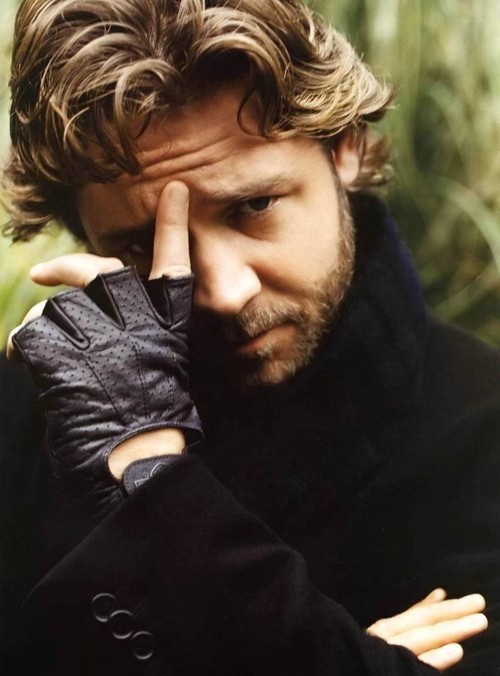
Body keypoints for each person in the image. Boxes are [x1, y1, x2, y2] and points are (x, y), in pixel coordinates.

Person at [1, 0, 500, 673]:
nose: (224, 291)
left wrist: (155, 484)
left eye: (252, 206)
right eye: (141, 245)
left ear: (344, 148)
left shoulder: (483, 430)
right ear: (84, 237)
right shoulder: (27, 415)